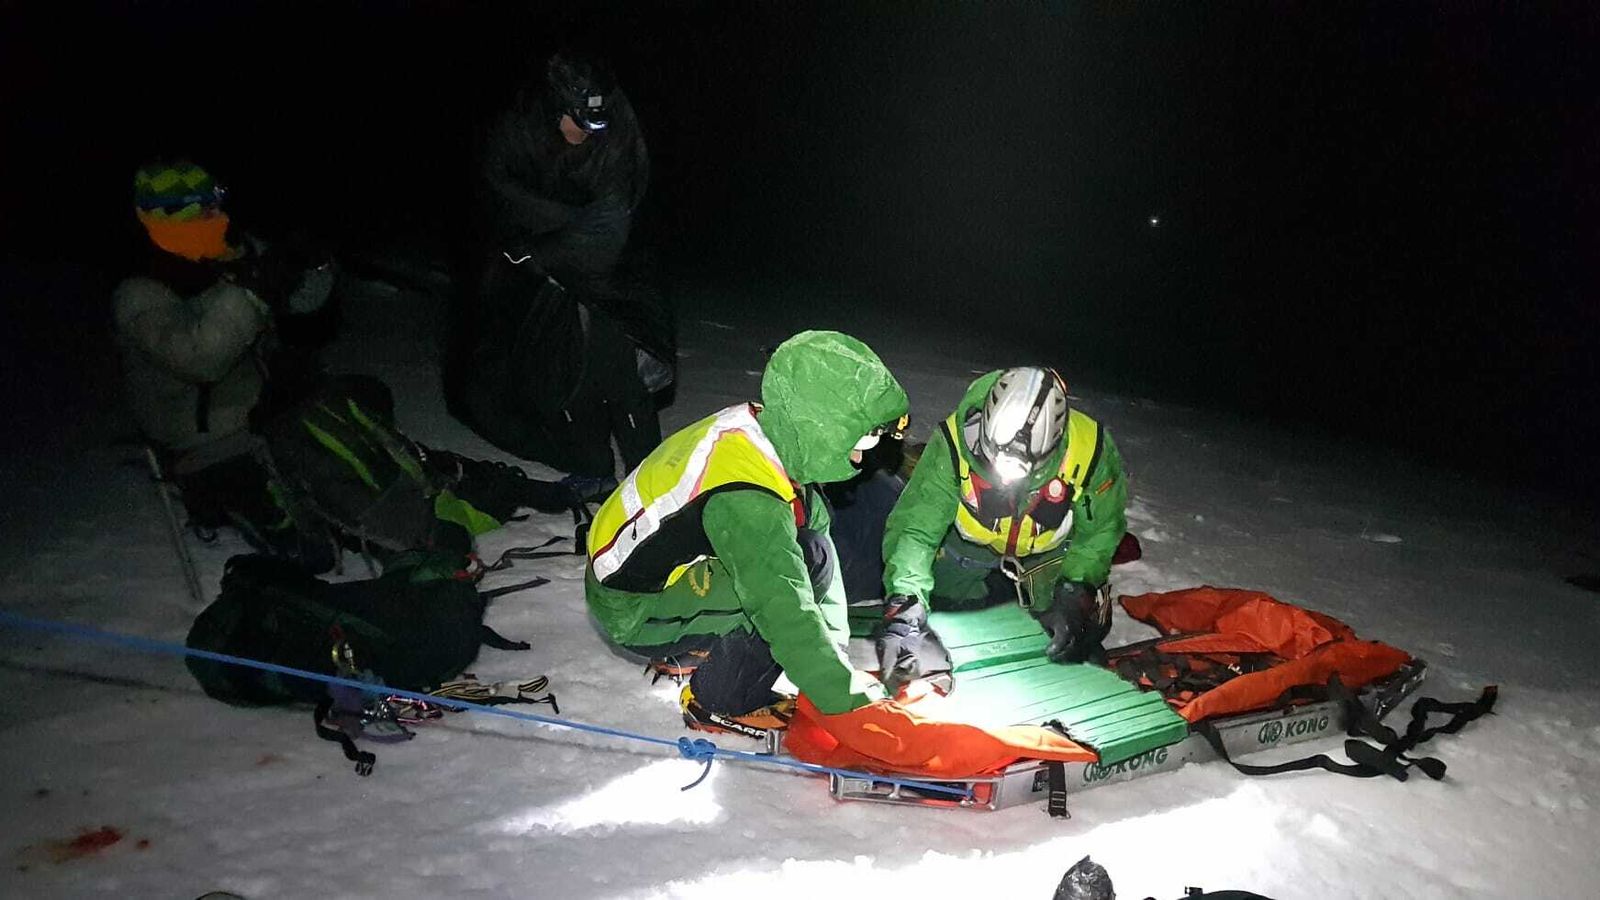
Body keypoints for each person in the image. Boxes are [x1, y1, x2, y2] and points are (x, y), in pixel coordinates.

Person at [115, 161, 574, 571]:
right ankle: (370, 529)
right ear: (164, 221)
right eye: (203, 212)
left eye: (218, 207)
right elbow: (201, 358)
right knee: (310, 550)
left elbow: (305, 308)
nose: (220, 220)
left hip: (276, 408)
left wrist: (313, 267)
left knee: (363, 424)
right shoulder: (141, 292)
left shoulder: (230, 255)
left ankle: (459, 499)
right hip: (211, 442)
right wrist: (252, 289)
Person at [583, 331, 909, 731]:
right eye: (863, 434)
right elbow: (783, 608)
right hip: (632, 607)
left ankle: (702, 642)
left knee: (811, 552)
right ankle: (721, 699)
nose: (865, 452)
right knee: (780, 583)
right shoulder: (747, 499)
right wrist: (844, 702)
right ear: (822, 422)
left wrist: (836, 654)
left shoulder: (771, 434)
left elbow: (820, 547)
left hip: (652, 571)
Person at [454, 50, 668, 495]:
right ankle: (591, 469)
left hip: (610, 267)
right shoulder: (518, 128)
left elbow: (611, 232)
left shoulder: (616, 141)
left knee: (618, 368)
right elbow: (497, 194)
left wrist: (541, 253)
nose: (592, 133)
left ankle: (651, 480)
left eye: (600, 123)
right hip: (538, 271)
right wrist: (521, 253)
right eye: (582, 123)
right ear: (554, 111)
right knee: (560, 373)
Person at [875, 366, 1128, 686]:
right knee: (937, 631)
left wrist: (1075, 590)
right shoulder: (955, 442)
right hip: (965, 553)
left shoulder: (1090, 450)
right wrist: (904, 602)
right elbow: (916, 529)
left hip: (1047, 561)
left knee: (1068, 648)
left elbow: (1100, 531)